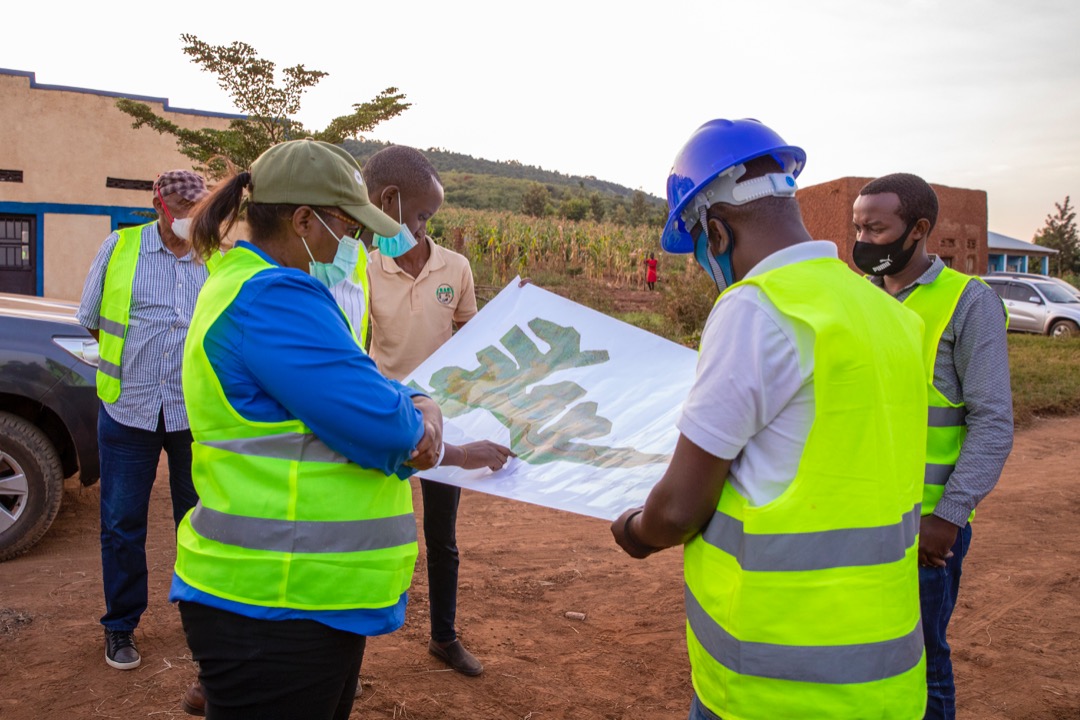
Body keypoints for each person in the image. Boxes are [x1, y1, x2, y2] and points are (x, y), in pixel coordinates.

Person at [610, 119, 930, 719]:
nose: (706, 263)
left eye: (702, 248)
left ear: (716, 230)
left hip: (777, 679)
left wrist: (634, 530)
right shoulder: (889, 313)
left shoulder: (758, 307)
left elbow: (679, 509)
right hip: (885, 675)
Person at [169, 138, 444, 720]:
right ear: (303, 221)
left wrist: (411, 396)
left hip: (289, 595)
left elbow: (355, 383)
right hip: (276, 606)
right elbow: (387, 426)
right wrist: (420, 413)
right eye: (348, 229)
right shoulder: (275, 297)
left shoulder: (247, 283)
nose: (355, 245)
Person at [852, 173, 1013, 720]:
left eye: (876, 227)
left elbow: (993, 422)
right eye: (858, 227)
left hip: (926, 529)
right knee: (861, 655)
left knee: (922, 659)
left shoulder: (969, 303)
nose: (864, 239)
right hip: (859, 520)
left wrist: (948, 516)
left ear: (918, 229)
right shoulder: (858, 300)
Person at [360, 145, 513, 677]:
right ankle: (347, 657)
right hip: (380, 418)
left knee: (442, 539)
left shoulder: (456, 267)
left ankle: (444, 637)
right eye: (420, 214)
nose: (423, 227)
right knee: (366, 533)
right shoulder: (362, 267)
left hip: (440, 419)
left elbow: (474, 339)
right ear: (390, 202)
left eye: (430, 219)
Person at [77, 169, 208, 671]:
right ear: (158, 204)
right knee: (120, 522)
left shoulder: (215, 259)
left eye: (194, 211)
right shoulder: (120, 247)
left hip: (192, 413)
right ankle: (120, 627)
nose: (185, 219)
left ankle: (201, 625)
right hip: (128, 407)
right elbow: (92, 314)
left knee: (197, 521)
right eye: (178, 209)